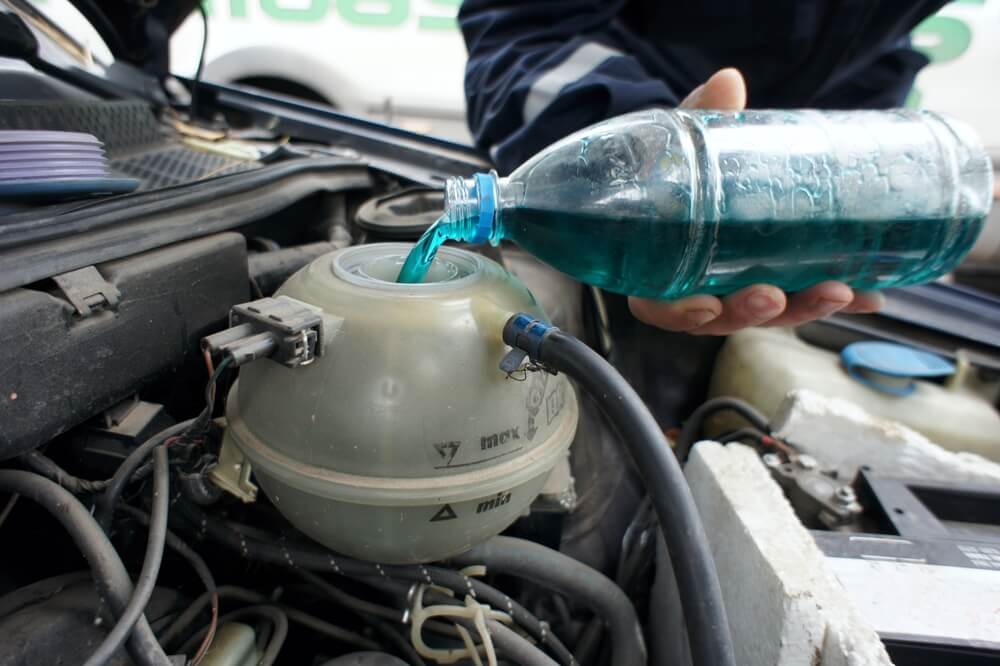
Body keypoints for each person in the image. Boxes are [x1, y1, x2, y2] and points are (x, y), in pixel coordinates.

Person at [458, 1, 950, 335]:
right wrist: (641, 152)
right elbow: (529, 23)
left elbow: (873, 39)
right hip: (650, 146)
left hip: (876, 172)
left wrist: (851, 150)